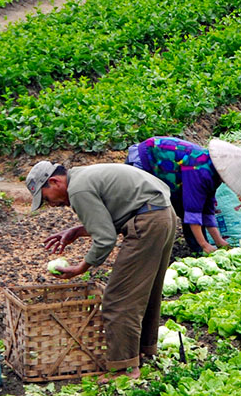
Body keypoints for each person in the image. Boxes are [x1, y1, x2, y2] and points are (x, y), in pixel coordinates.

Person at [29, 160, 177, 379]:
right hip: (163, 215)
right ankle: (143, 351)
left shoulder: (78, 189)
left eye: (46, 197)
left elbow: (105, 239)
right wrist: (79, 231)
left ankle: (124, 368)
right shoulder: (84, 176)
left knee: (118, 298)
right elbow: (117, 214)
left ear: (54, 181)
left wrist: (82, 267)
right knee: (146, 291)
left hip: (148, 221)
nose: (50, 204)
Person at [126, 137, 241, 255]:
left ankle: (197, 248)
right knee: (150, 212)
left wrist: (219, 241)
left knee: (188, 209)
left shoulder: (213, 173)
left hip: (169, 169)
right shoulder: (200, 171)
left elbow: (207, 208)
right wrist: (204, 244)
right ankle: (144, 250)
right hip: (147, 160)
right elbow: (192, 210)